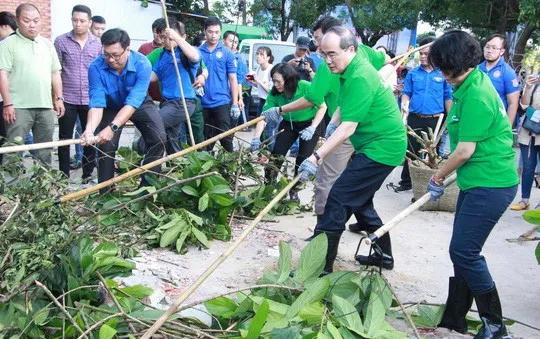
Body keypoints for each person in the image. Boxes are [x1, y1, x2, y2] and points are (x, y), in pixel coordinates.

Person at [426, 30, 518, 339]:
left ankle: (495, 326)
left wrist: (437, 176)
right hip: (476, 181)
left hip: (491, 183)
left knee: (465, 251)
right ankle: (456, 317)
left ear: (453, 63)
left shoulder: (478, 93)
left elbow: (465, 150)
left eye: (441, 66)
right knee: (460, 250)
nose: (440, 72)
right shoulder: (467, 86)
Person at [265, 16, 389, 242]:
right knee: (353, 182)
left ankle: (321, 234)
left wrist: (314, 155)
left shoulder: (338, 68)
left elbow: (313, 99)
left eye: (321, 41)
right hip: (354, 129)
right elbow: (385, 59)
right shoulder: (361, 54)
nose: (321, 49)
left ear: (341, 39)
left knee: (326, 180)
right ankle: (368, 224)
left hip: (354, 132)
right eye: (321, 47)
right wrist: (331, 123)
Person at [294, 26, 406, 274]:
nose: (327, 60)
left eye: (332, 54)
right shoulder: (351, 68)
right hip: (374, 144)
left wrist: (315, 156)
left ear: (351, 49)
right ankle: (384, 256)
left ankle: (320, 267)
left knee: (338, 199)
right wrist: (331, 123)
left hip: (382, 148)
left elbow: (348, 128)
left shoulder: (359, 76)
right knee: (361, 202)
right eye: (323, 54)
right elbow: (345, 106)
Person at [80, 28, 166, 193]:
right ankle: (106, 192)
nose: (111, 60)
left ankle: (147, 188)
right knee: (105, 146)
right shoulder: (96, 67)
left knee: (159, 137)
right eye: (106, 54)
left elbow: (133, 102)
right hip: (111, 106)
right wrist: (89, 130)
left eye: (116, 55)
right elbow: (97, 103)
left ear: (127, 49)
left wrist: (113, 127)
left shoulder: (142, 64)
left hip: (139, 103)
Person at [251, 63, 326, 202]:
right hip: (289, 124)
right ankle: (269, 189)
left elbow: (322, 106)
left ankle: (294, 190)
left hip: (310, 124)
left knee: (303, 160)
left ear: (289, 79)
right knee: (276, 156)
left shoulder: (305, 86)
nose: (275, 84)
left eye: (278, 81)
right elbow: (264, 116)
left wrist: (313, 127)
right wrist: (256, 137)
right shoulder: (274, 93)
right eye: (273, 80)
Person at [0, 3, 64, 165]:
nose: (32, 25)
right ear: (18, 21)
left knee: (45, 151)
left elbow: (55, 73)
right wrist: (7, 103)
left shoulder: (47, 44)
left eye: (36, 20)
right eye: (27, 20)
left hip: (44, 106)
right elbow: (2, 74)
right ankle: (11, 188)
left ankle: (43, 187)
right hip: (18, 107)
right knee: (13, 151)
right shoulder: (8, 44)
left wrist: (59, 98)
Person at [394, 37, 453, 192]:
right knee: (411, 151)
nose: (422, 56)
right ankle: (406, 182)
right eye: (420, 53)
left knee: (434, 154)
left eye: (426, 53)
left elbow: (448, 97)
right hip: (415, 118)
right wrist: (405, 103)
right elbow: (406, 93)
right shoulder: (413, 73)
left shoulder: (442, 74)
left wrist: (451, 118)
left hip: (435, 120)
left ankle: (432, 184)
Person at [54, 4, 102, 181]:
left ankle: (87, 174)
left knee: (89, 137)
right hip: (68, 98)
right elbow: (56, 71)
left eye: (82, 21)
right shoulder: (61, 41)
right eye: (75, 20)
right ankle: (63, 176)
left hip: (90, 99)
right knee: (64, 139)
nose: (78, 24)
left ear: (90, 22)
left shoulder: (98, 44)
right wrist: (57, 97)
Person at [148, 17, 200, 154]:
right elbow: (153, 76)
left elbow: (195, 57)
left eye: (166, 37)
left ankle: (143, 155)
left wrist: (177, 38)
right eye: (162, 37)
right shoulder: (163, 54)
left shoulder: (185, 52)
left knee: (152, 126)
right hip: (167, 102)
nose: (163, 41)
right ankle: (176, 168)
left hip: (182, 103)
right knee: (171, 139)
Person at [198, 17, 239, 152]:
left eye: (216, 32)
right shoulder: (197, 52)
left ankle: (230, 168)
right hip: (202, 102)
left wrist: (234, 103)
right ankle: (207, 168)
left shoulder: (227, 53)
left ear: (220, 32)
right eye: (210, 32)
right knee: (205, 139)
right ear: (205, 31)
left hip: (221, 101)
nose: (213, 35)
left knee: (226, 138)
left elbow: (233, 79)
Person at [510, 73, 540, 211]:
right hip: (529, 129)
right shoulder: (534, 78)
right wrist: (528, 87)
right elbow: (524, 104)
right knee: (527, 166)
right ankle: (525, 200)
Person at [479, 34, 520, 125]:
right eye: (487, 47)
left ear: (502, 51)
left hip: (496, 123)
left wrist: (507, 129)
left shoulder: (508, 72)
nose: (489, 51)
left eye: (494, 48)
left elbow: (513, 103)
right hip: (476, 119)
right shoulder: (476, 70)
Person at [0, 11, 17, 164]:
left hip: (6, 100)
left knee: (7, 137)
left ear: (4, 26)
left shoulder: (5, 44)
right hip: (15, 99)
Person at [138, 18, 164, 102]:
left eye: (160, 32)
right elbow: (138, 66)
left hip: (165, 97)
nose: (157, 35)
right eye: (155, 32)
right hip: (149, 96)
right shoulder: (144, 47)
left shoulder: (174, 51)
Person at [223, 30, 247, 116]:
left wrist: (240, 98)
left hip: (232, 94)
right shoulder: (219, 54)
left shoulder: (238, 57)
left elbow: (239, 80)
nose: (233, 44)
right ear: (223, 41)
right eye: (231, 41)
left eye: (236, 42)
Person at [249, 46, 274, 116]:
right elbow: (258, 85)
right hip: (261, 100)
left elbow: (271, 91)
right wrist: (251, 81)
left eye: (261, 54)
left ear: (268, 58)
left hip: (270, 102)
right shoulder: (259, 68)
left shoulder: (271, 69)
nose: (258, 56)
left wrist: (259, 81)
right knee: (259, 122)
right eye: (257, 54)